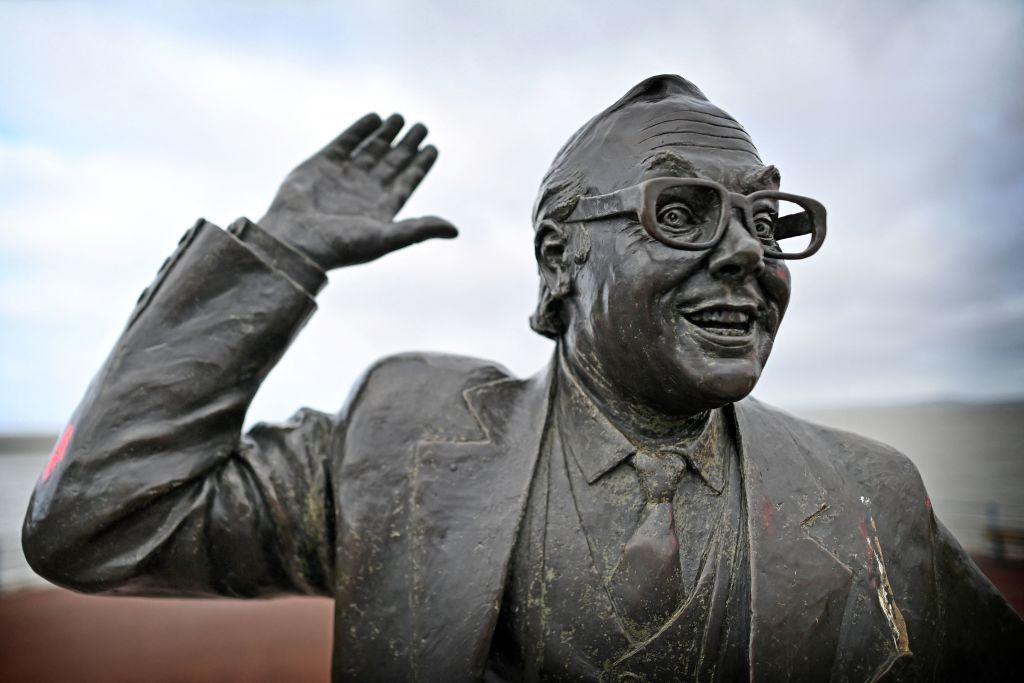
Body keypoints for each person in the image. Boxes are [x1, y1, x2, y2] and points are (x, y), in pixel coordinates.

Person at [22, 75, 1022, 681]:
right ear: (557, 259)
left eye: (768, 220)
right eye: (683, 211)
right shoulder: (398, 442)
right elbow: (97, 520)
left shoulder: (867, 498)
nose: (746, 255)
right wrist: (276, 257)